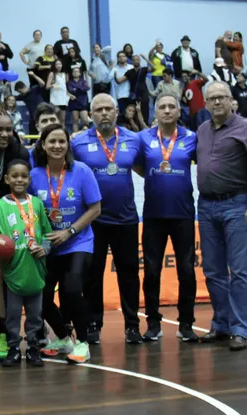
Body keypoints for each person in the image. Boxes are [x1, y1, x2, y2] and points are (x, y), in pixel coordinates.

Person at [71, 93, 144, 344]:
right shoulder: (78, 143)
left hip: (126, 219)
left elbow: (144, 169)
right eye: (98, 109)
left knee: (130, 274)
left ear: (116, 112)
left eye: (108, 109)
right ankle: (93, 324)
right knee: (92, 275)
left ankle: (132, 326)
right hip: (93, 221)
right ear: (90, 115)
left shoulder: (133, 140)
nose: (103, 113)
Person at [30, 124, 101, 363]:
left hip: (78, 242)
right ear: (42, 145)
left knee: (71, 289)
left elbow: (95, 208)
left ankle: (83, 343)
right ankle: (63, 337)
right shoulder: (34, 175)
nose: (57, 146)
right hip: (50, 245)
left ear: (68, 145)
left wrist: (69, 232)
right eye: (52, 141)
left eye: (62, 141)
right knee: (41, 295)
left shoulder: (81, 171)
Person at [137, 93, 199, 342]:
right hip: (153, 215)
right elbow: (135, 163)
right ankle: (153, 323)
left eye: (172, 106)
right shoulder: (143, 138)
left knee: (187, 270)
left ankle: (186, 324)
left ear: (179, 111)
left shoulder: (192, 138)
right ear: (155, 112)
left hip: (183, 215)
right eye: (162, 106)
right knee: (151, 271)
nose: (166, 110)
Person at [0, 159, 52, 367]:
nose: (19, 179)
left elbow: (47, 235)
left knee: (35, 316)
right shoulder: (0, 207)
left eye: (23, 176)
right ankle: (13, 348)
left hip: (35, 271)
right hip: (12, 272)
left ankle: (33, 348)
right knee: (12, 316)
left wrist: (45, 248)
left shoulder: (37, 204)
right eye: (15, 176)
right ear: (6, 179)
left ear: (29, 180)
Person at [195, 81, 247, 350]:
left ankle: (241, 328)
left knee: (239, 271)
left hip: (236, 204)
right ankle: (221, 324)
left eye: (221, 98)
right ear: (205, 103)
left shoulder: (244, 127)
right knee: (213, 270)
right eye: (212, 98)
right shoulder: (202, 129)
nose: (216, 102)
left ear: (231, 100)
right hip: (205, 207)